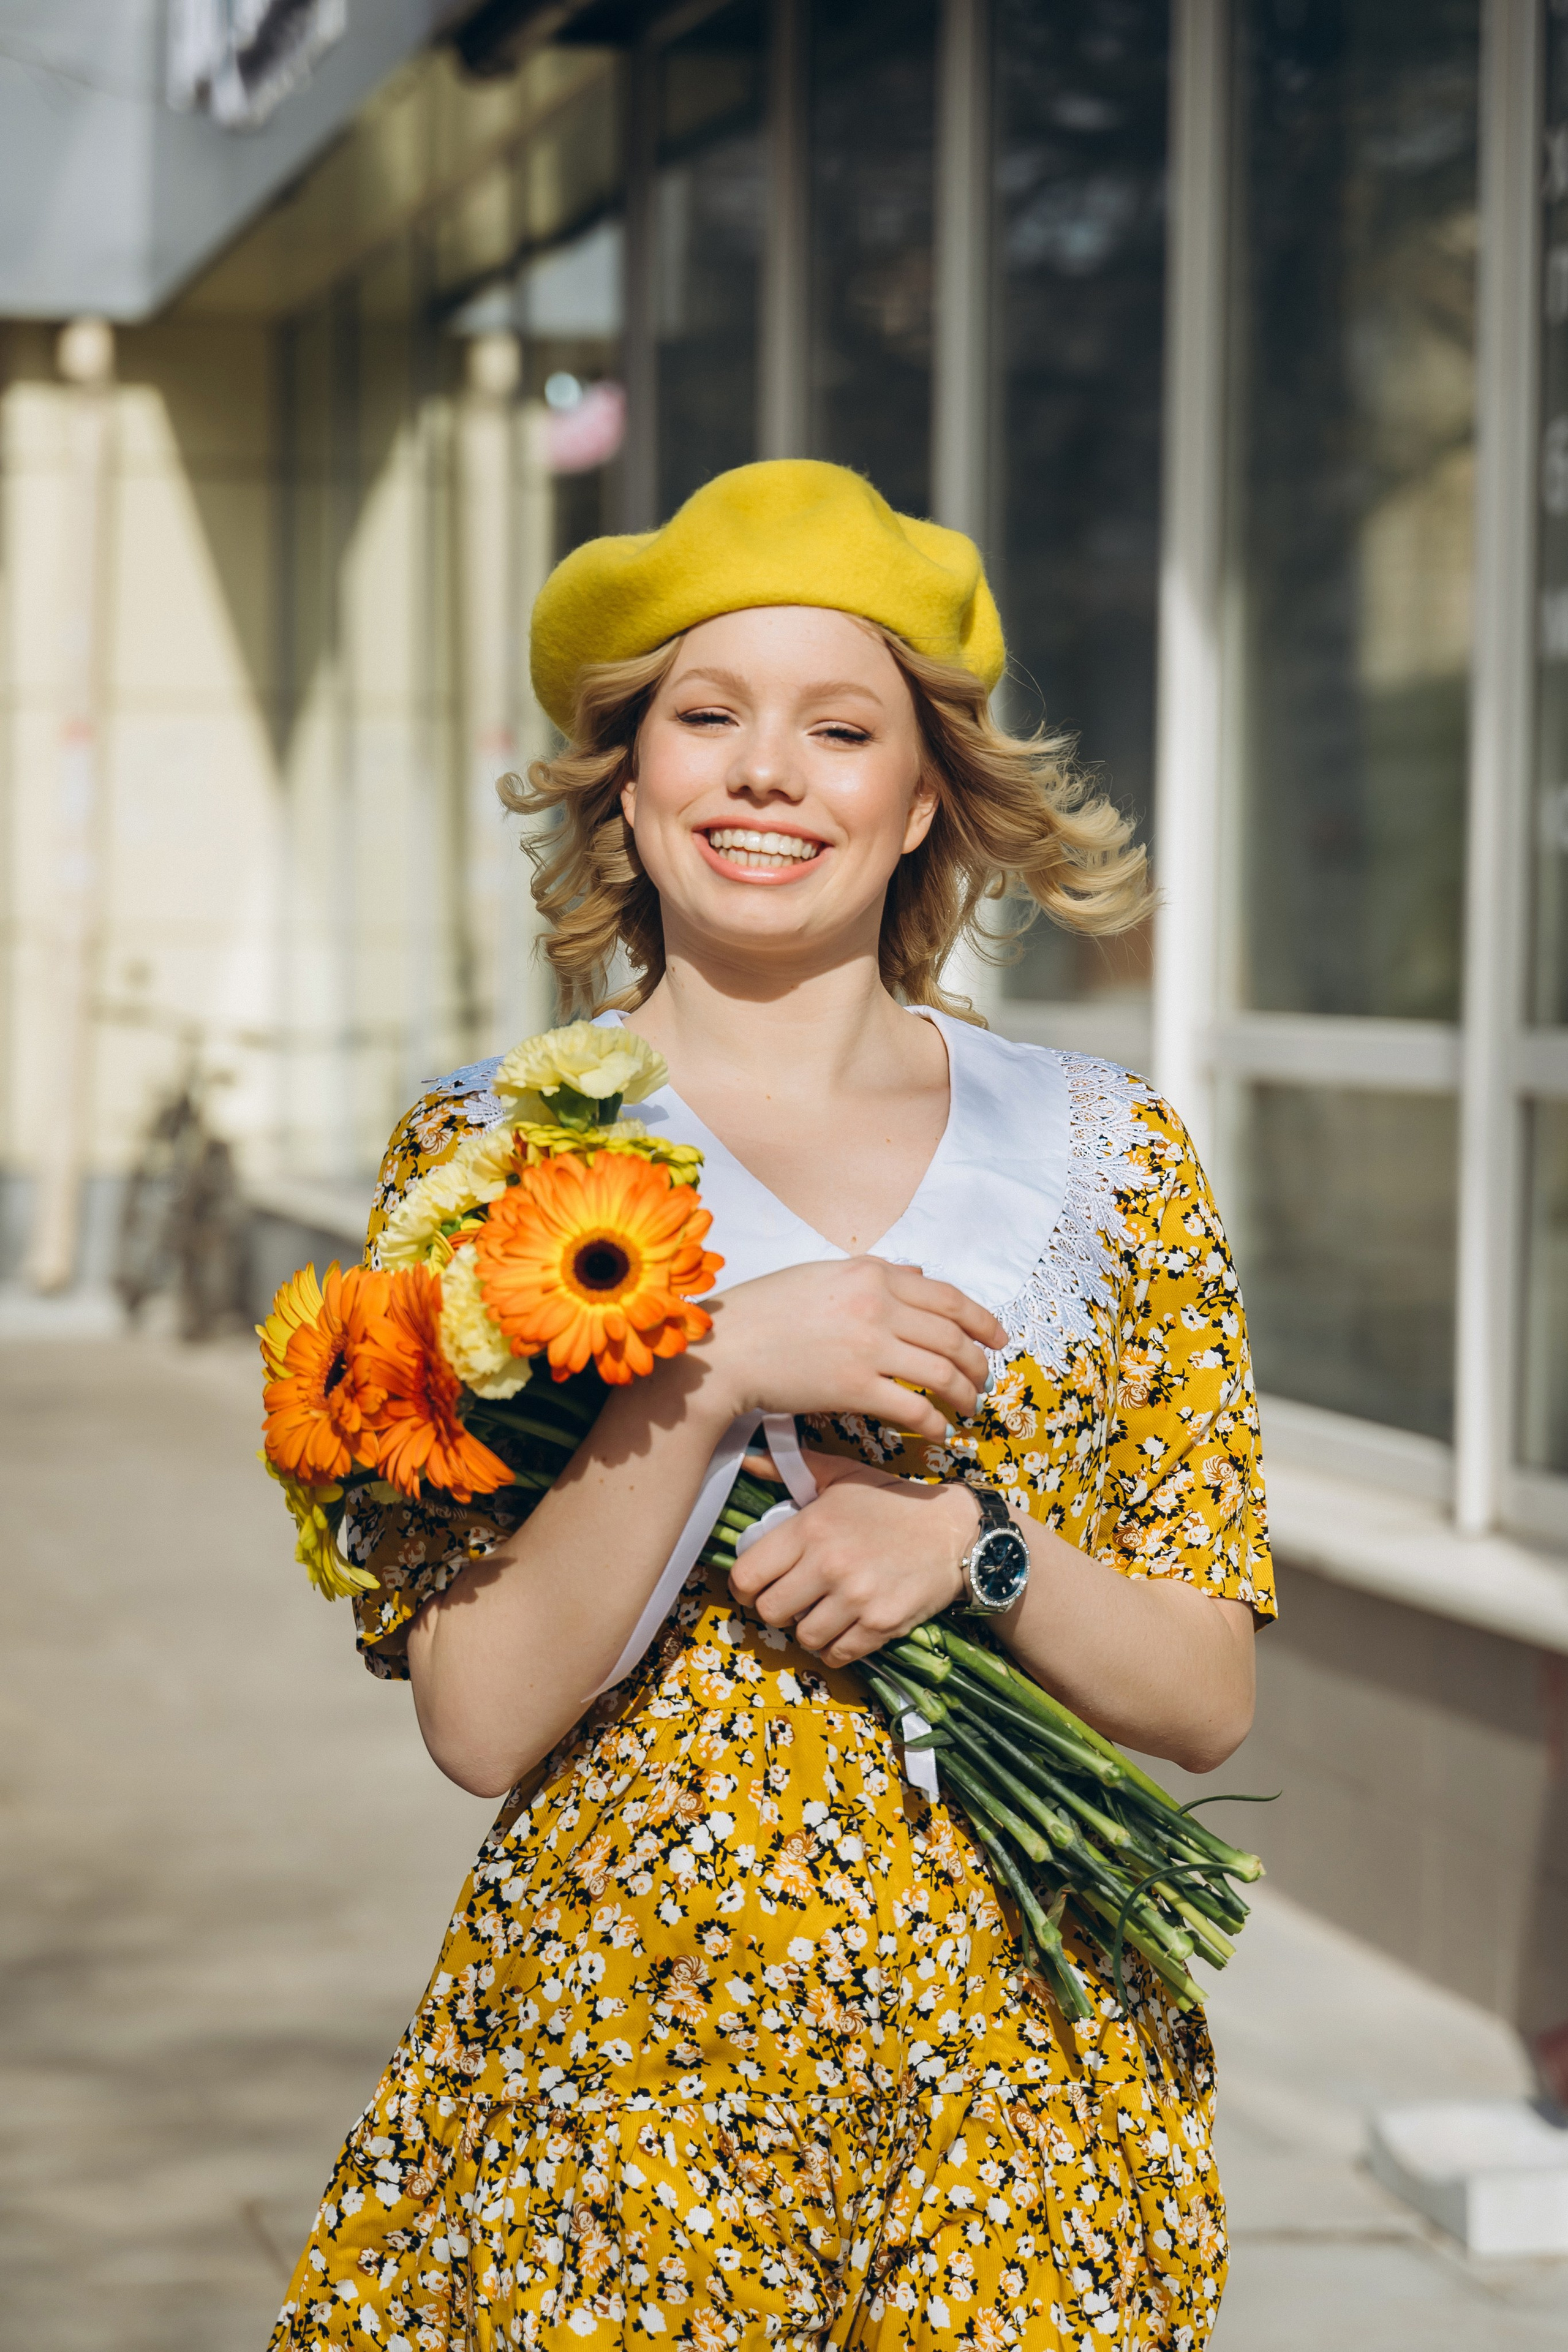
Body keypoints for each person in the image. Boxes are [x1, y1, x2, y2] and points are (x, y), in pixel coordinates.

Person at [270, 460, 1273, 2352]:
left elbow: (1205, 1697)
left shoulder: (1111, 1159)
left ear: (919, 805)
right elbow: (480, 1722)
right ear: (626, 786)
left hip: (1021, 2092)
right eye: (702, 718)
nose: (760, 772)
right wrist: (717, 1370)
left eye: (839, 728)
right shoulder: (491, 1169)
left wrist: (968, 1548)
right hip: (626, 2086)